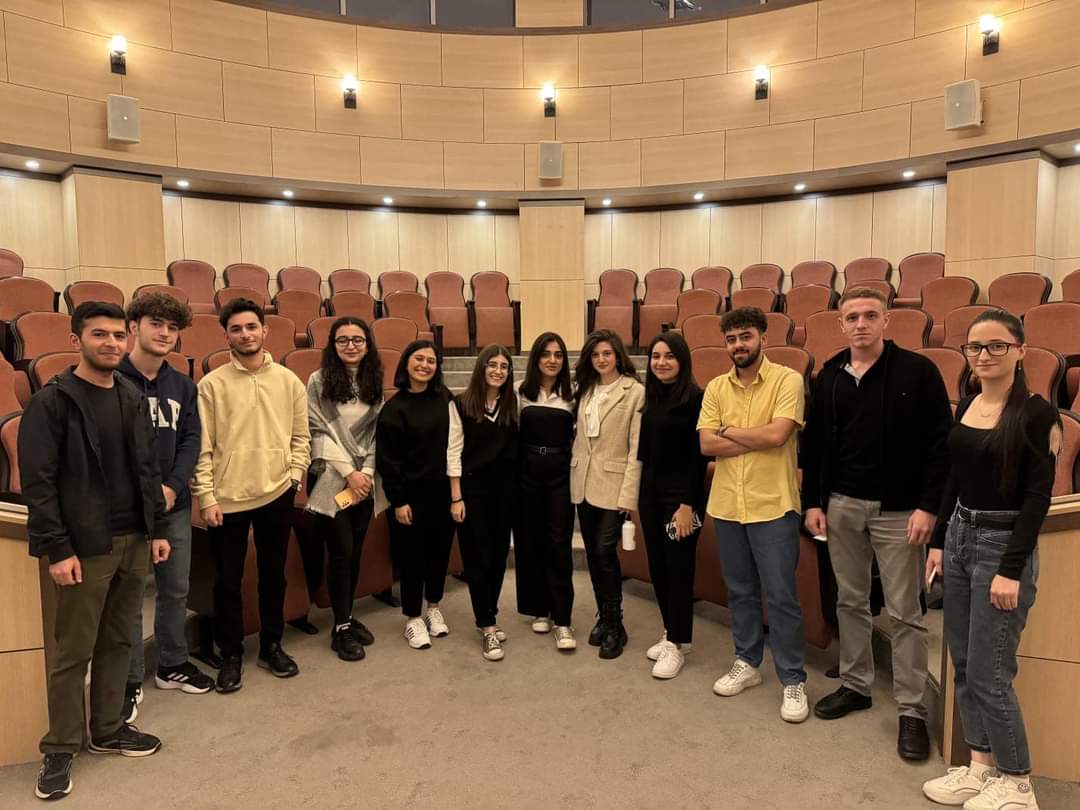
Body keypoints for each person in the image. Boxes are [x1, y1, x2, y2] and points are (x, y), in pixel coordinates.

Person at [20, 302, 171, 802]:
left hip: (134, 539)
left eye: (118, 335)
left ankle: (107, 729)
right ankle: (60, 746)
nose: (111, 343)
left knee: (118, 642)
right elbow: (39, 484)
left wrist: (158, 527)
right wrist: (58, 548)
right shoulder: (52, 402)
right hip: (86, 546)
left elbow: (148, 470)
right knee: (73, 652)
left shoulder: (131, 395)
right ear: (75, 340)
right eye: (99, 334)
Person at [801, 286, 951, 759]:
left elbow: (940, 446)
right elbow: (814, 447)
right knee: (850, 600)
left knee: (905, 612)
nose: (861, 324)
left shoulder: (918, 372)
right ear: (841, 325)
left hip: (901, 511)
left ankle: (912, 709)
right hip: (842, 506)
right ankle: (856, 685)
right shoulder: (829, 376)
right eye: (852, 317)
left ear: (886, 320)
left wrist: (929, 508)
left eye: (870, 315)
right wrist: (813, 502)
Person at [922, 310, 1058, 810]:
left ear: (1020, 351)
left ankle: (1018, 783)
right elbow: (954, 479)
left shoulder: (1037, 414)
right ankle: (981, 766)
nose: (984, 355)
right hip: (961, 534)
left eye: (997, 345)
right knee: (962, 662)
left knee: (990, 671)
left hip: (1002, 544)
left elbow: (1037, 499)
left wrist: (1010, 570)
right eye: (975, 347)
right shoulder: (969, 403)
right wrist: (940, 541)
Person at [191, 298, 310, 693]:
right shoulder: (211, 385)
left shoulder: (289, 381)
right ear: (227, 336)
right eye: (237, 329)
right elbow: (202, 447)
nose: (245, 334)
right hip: (227, 499)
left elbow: (300, 436)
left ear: (265, 330)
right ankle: (231, 654)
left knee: (273, 576)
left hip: (277, 492)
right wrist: (207, 497)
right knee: (228, 581)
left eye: (251, 327)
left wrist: (294, 476)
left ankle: (271, 645)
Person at [697, 307, 809, 723]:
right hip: (727, 505)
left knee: (781, 597)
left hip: (773, 505)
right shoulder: (715, 387)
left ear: (763, 336)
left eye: (745, 336)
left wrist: (728, 432)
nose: (738, 345)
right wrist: (755, 438)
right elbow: (706, 445)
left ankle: (793, 678)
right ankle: (747, 661)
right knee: (740, 592)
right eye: (731, 339)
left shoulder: (787, 380)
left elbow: (779, 434)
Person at [119, 293, 212, 721]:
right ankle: (129, 679)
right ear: (133, 326)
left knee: (175, 589)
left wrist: (173, 487)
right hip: (126, 509)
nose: (164, 333)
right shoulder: (111, 378)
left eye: (172, 328)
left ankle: (172, 665)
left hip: (173, 505)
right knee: (130, 596)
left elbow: (191, 440)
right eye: (156, 323)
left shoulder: (183, 386)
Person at [305, 317, 384, 662]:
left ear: (367, 344)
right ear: (333, 345)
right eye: (343, 340)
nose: (351, 345)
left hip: (363, 481)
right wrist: (350, 471)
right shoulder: (318, 380)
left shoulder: (373, 380)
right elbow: (316, 429)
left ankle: (347, 616)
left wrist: (365, 472)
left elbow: (378, 433)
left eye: (357, 339)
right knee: (341, 551)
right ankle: (340, 628)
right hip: (329, 477)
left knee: (355, 552)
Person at [376, 340, 455, 650]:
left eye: (431, 361)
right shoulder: (394, 408)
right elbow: (388, 461)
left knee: (439, 553)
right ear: (406, 364)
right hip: (409, 497)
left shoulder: (445, 398)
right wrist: (398, 500)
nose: (425, 365)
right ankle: (412, 617)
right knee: (411, 558)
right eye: (418, 359)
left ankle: (433, 607)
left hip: (443, 493)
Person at [571, 329, 645, 660]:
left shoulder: (635, 392)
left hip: (615, 486)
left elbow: (636, 449)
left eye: (607, 353)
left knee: (604, 552)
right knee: (592, 554)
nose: (601, 359)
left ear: (618, 356)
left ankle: (616, 624)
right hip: (583, 482)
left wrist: (628, 497)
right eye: (595, 354)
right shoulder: (585, 389)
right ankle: (604, 616)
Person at [638, 332, 707, 680]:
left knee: (679, 568)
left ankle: (678, 643)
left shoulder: (696, 398)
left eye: (669, 356)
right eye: (655, 356)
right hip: (650, 493)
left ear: (682, 360)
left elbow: (698, 458)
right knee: (659, 566)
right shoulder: (652, 397)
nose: (661, 362)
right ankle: (671, 632)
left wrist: (687, 504)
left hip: (681, 497)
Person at [448, 345, 519, 661]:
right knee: (477, 560)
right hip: (472, 493)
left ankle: (488, 613)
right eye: (492, 365)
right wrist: (456, 497)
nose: (498, 371)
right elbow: (453, 452)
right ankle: (487, 625)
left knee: (498, 558)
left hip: (505, 493)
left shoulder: (513, 404)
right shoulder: (461, 404)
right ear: (481, 367)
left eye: (504, 366)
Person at [514, 332, 577, 652]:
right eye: (546, 354)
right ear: (535, 358)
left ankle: (563, 619)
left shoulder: (573, 393)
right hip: (527, 473)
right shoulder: (519, 392)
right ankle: (540, 608)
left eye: (558, 355)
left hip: (560, 474)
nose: (552, 360)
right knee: (531, 541)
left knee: (559, 543)